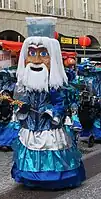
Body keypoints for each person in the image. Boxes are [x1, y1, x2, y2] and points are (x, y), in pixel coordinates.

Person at [11, 36, 86, 189]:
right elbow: (22, 100)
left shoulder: (56, 86)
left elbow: (62, 103)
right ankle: (31, 177)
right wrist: (22, 106)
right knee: (30, 147)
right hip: (31, 126)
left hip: (50, 127)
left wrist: (52, 112)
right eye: (31, 53)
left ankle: (53, 177)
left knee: (51, 148)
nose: (36, 60)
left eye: (44, 54)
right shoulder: (26, 85)